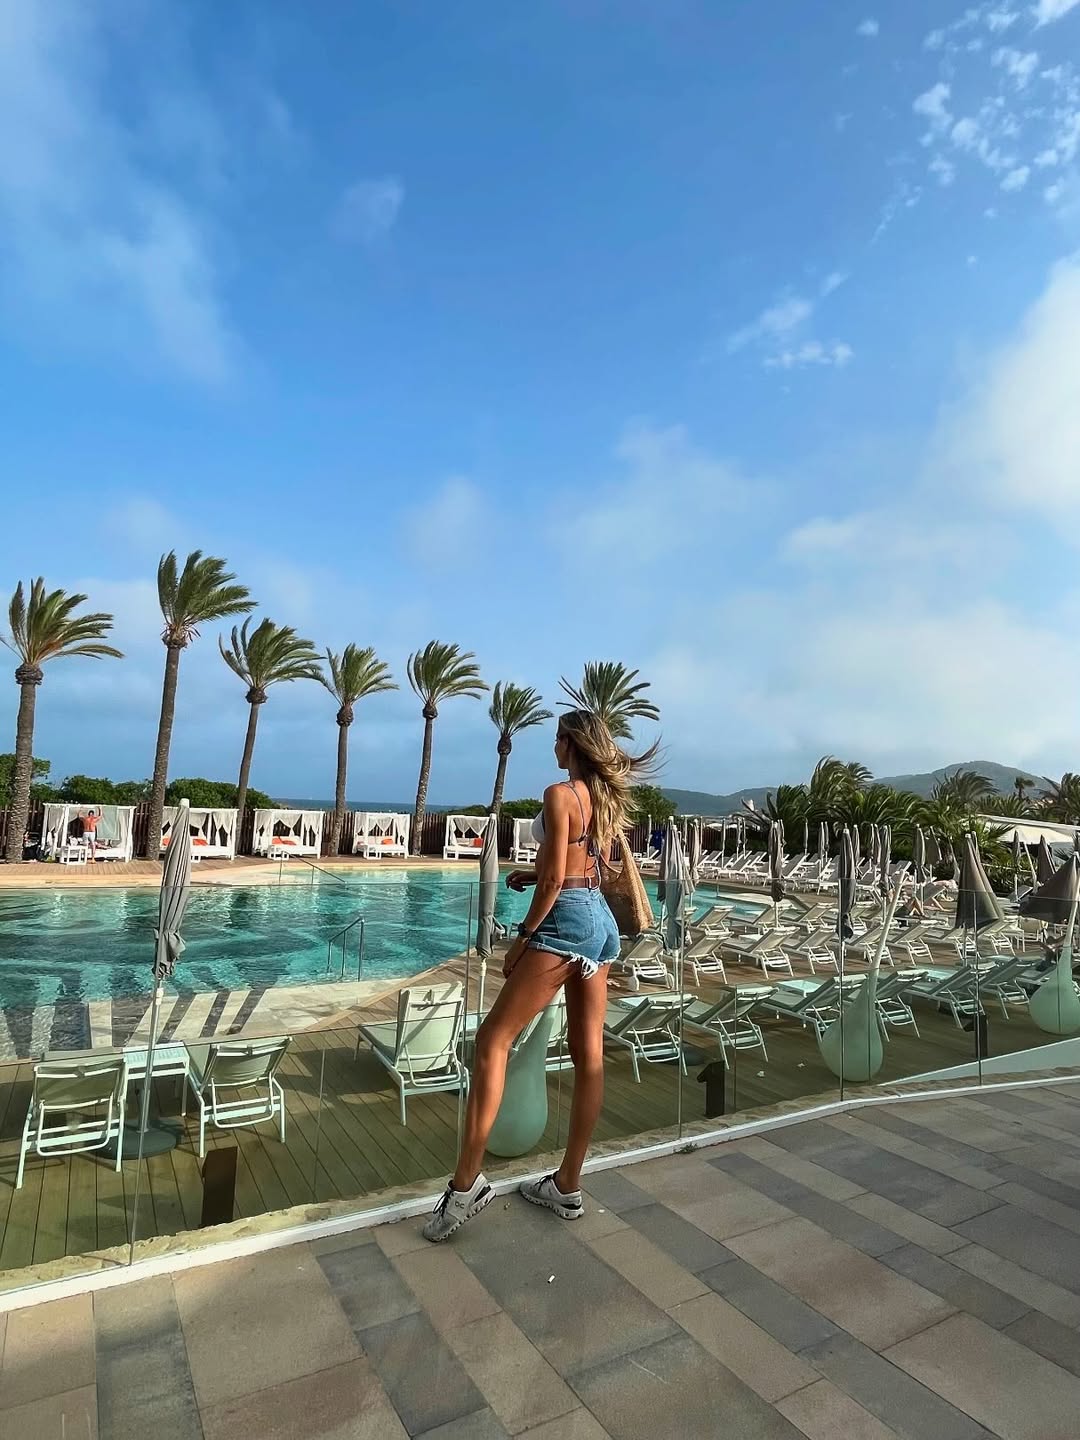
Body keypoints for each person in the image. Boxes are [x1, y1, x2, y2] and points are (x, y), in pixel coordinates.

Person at [424, 708, 657, 1243]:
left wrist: (523, 938)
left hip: (565, 922)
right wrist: (533, 874)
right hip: (599, 922)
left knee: (492, 1042)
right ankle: (568, 1186)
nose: (552, 747)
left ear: (572, 743)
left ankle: (465, 1187)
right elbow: (578, 864)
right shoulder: (602, 798)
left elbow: (556, 882)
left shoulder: (559, 794)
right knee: (588, 1055)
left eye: (557, 739)